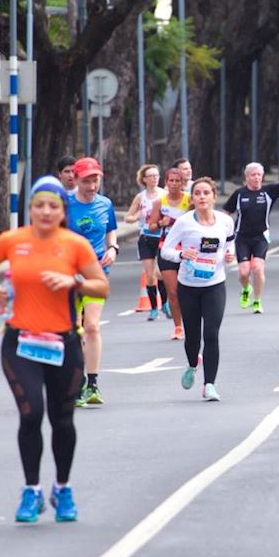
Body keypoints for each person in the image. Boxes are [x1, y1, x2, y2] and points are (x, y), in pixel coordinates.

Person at [0, 175, 109, 523]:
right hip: (20, 342)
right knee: (31, 413)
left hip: (64, 343)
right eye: (39, 205)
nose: (46, 212)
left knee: (62, 419)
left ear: (62, 210)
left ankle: (62, 488)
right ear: (30, 209)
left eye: (53, 206)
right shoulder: (12, 240)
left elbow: (102, 286)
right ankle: (31, 490)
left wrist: (74, 281)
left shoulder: (74, 245)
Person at [159, 178, 236, 402]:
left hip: (214, 285)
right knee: (192, 338)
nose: (202, 197)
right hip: (189, 286)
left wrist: (229, 256)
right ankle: (193, 364)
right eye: (198, 193)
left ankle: (209, 385)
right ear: (192, 198)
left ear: (214, 196)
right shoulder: (184, 223)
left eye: (206, 193)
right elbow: (167, 251)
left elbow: (230, 244)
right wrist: (182, 255)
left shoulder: (224, 221)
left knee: (211, 334)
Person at [64, 157, 118, 408]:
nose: (92, 185)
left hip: (97, 271)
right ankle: (76, 381)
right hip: (69, 274)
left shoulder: (105, 204)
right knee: (74, 329)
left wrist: (114, 248)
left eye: (95, 179)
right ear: (76, 179)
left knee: (92, 326)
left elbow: (111, 229)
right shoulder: (64, 204)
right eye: (87, 180)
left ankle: (93, 383)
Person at [223, 160, 279, 313]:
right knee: (243, 272)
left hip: (260, 237)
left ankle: (257, 301)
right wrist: (222, 232)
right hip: (242, 237)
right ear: (246, 177)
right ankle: (246, 289)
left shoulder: (268, 191)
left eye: (259, 175)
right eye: (253, 175)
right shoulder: (239, 194)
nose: (256, 178)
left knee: (257, 269)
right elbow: (226, 213)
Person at [148, 166, 193, 341]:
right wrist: (161, 223)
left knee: (187, 291)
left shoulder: (190, 200)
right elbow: (151, 226)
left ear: (183, 183)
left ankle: (191, 322)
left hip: (187, 249)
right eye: (171, 181)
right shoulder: (160, 202)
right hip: (166, 249)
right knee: (173, 292)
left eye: (178, 181)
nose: (174, 184)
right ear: (166, 183)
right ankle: (178, 327)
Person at [124, 164, 164, 320]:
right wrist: (138, 215)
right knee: (150, 275)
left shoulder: (164, 195)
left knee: (161, 274)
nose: (154, 178)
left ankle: (165, 303)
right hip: (146, 238)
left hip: (161, 238)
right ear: (144, 179)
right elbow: (128, 217)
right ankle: (154, 308)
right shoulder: (141, 197)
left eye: (156, 175)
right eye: (151, 176)